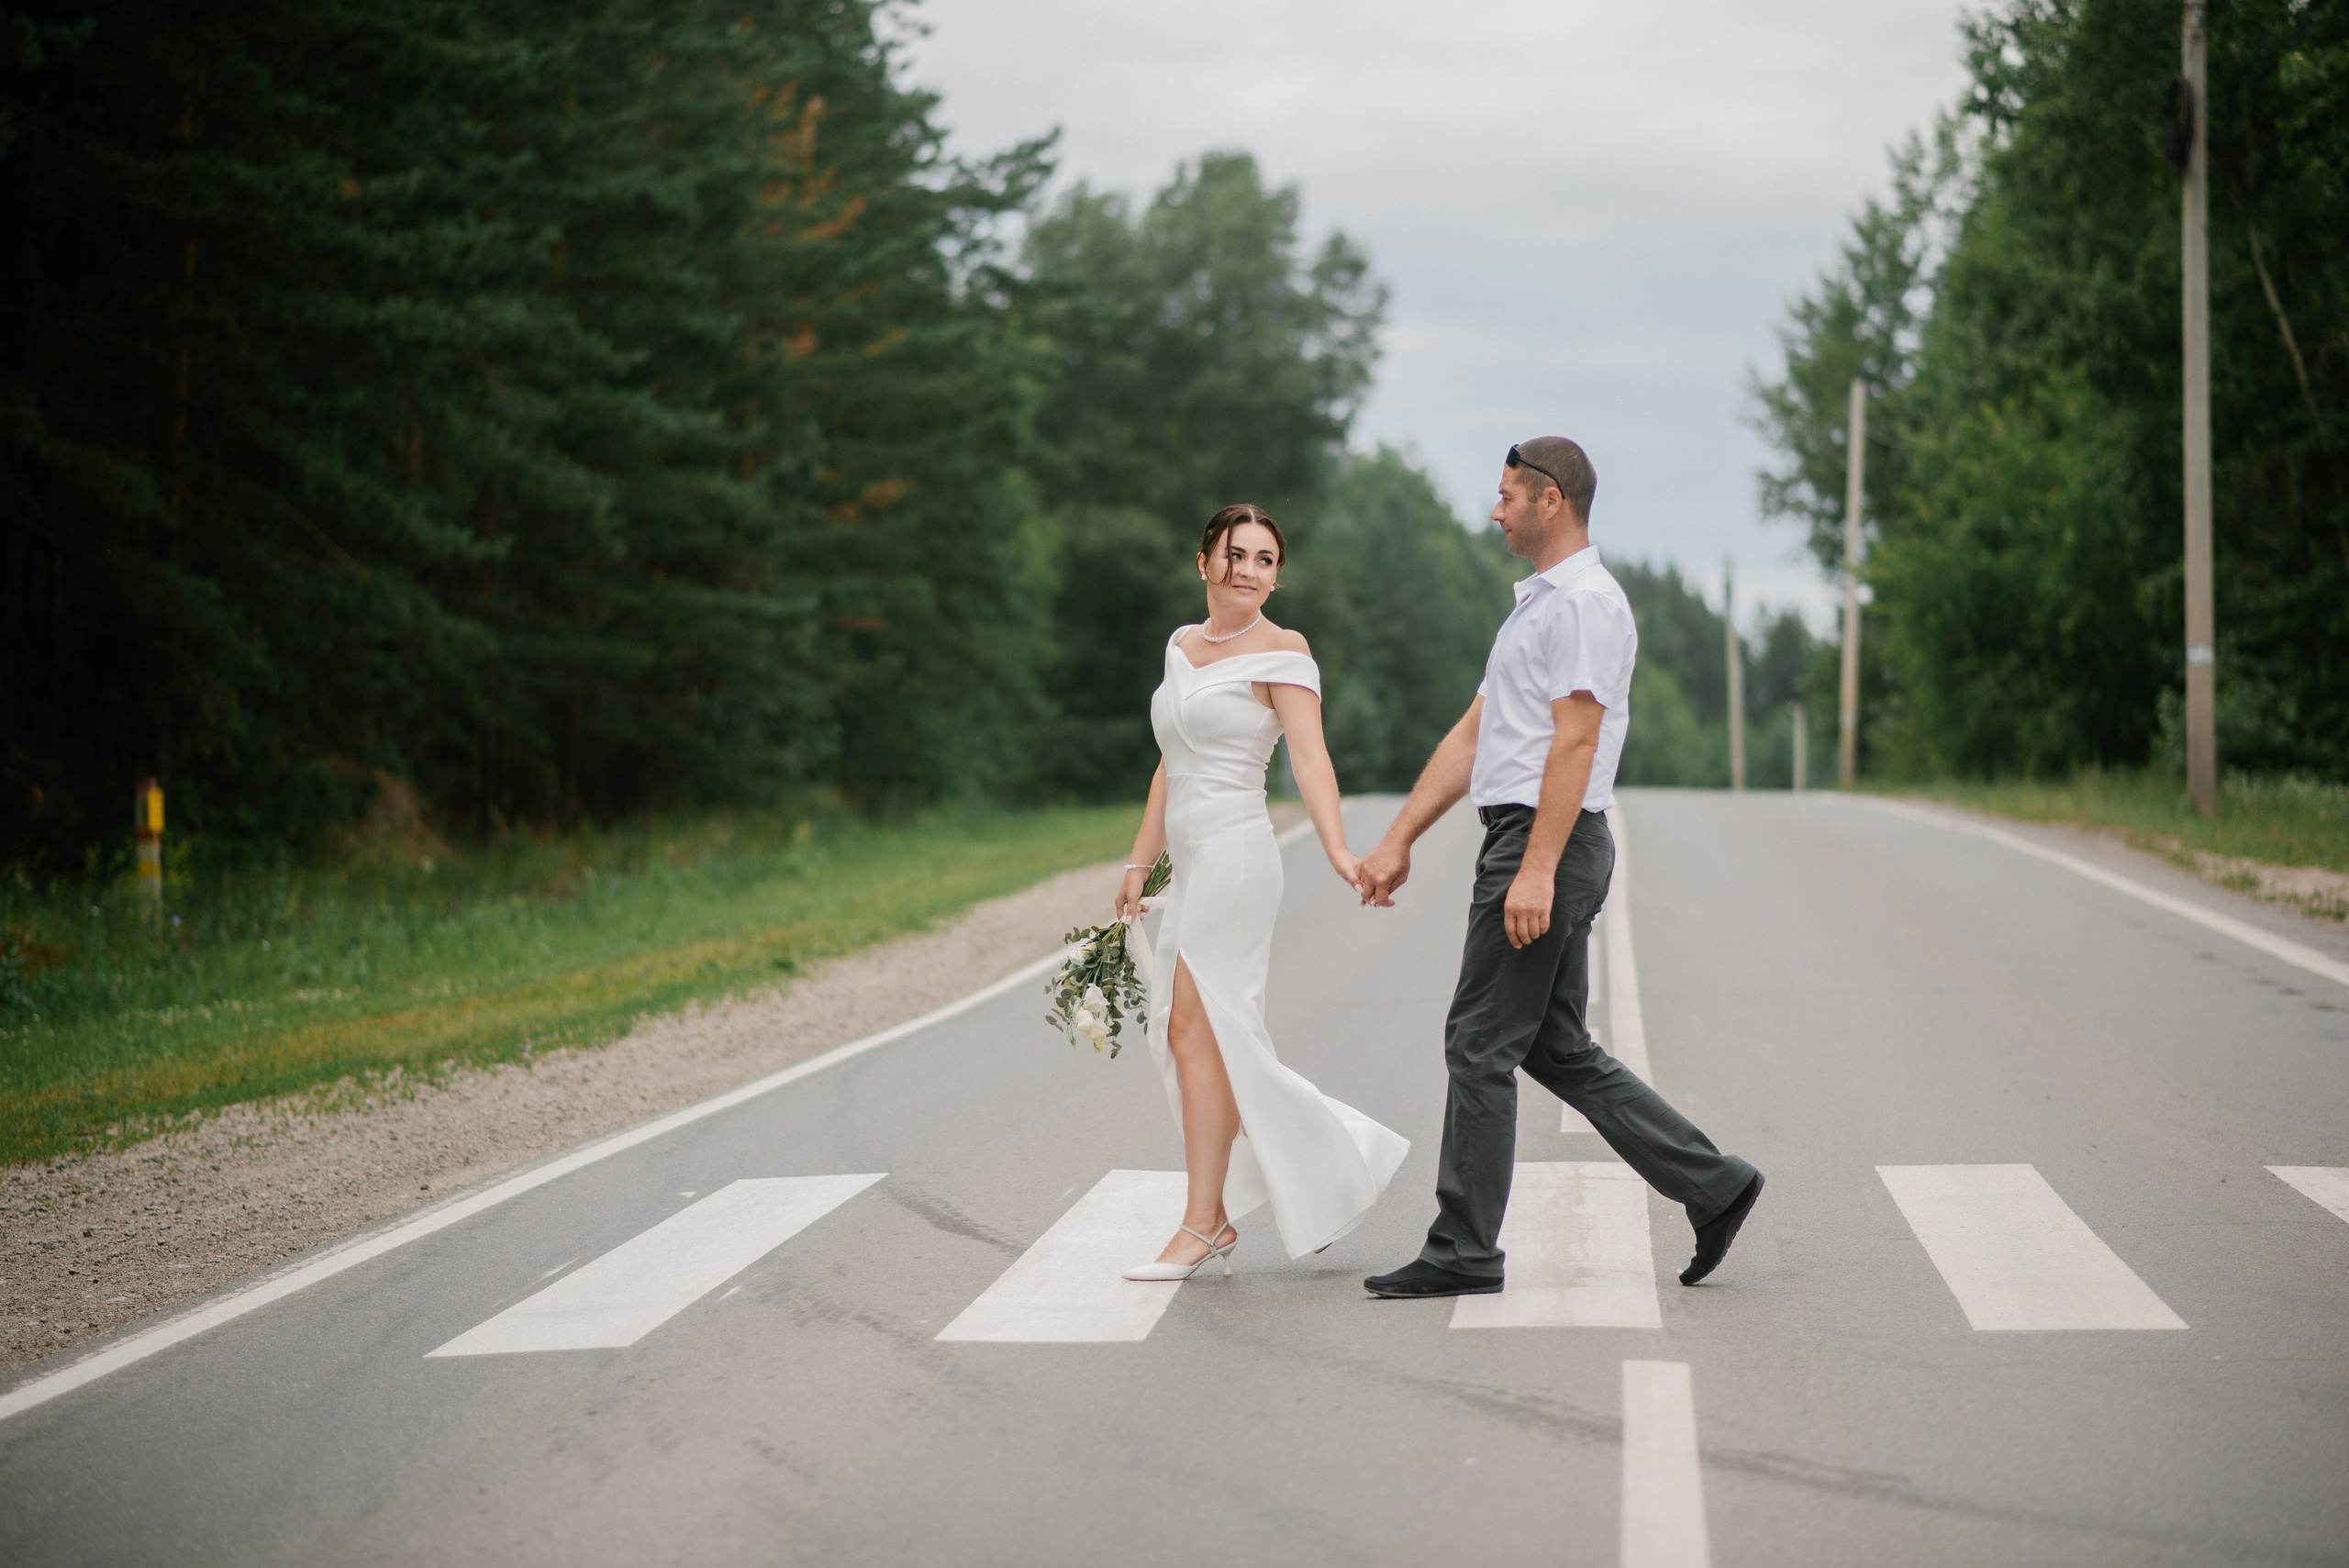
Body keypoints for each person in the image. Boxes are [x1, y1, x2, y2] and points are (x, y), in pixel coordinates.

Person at [1354, 439, 1764, 1298]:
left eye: (1507, 496)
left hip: (1548, 837)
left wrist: (1535, 869)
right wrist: (1399, 838)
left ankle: (1464, 1249)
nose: (1494, 510)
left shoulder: (1585, 605)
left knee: (1478, 1043)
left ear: (1551, 501)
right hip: (1534, 835)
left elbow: (1576, 741)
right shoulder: (1537, 609)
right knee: (1555, 1046)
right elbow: (1475, 735)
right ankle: (1714, 1183)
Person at [1114, 504, 1409, 1281]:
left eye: (1265, 559)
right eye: (1235, 553)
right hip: (1192, 865)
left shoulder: (1285, 652)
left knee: (1199, 1029)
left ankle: (1204, 1221)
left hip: (1238, 859)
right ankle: (1314, 1169)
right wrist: (1140, 862)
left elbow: (1310, 760)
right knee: (1190, 1035)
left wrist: (1338, 848)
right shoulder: (1182, 646)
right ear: (1203, 561)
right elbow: (1171, 759)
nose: (1248, 570)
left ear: (1277, 576)